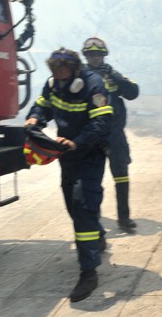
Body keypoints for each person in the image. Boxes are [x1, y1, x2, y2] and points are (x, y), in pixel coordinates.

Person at [25, 48, 113, 302]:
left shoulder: (93, 85)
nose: (60, 79)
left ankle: (89, 272)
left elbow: (102, 124)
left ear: (76, 70)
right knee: (72, 206)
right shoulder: (54, 85)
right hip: (67, 155)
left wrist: (78, 142)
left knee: (83, 204)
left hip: (90, 152)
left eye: (64, 74)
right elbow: (41, 107)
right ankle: (97, 236)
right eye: (55, 74)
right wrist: (34, 120)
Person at [81, 37, 140, 232]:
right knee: (92, 180)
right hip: (93, 136)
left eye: (98, 54)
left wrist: (116, 77)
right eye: (91, 55)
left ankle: (124, 217)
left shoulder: (112, 75)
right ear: (86, 56)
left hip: (115, 134)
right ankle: (93, 218)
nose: (95, 58)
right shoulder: (81, 77)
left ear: (104, 56)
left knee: (121, 176)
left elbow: (133, 93)